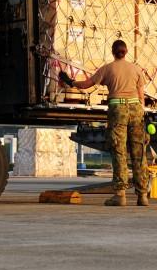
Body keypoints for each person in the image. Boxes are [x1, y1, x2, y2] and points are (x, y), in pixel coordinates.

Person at [60, 40, 149, 207]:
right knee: (139, 152)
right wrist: (140, 111)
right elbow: (141, 95)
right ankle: (142, 195)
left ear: (113, 52)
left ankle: (120, 195)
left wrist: (70, 82)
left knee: (119, 151)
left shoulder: (108, 68)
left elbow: (87, 84)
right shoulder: (137, 69)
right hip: (136, 109)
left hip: (118, 109)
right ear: (126, 51)